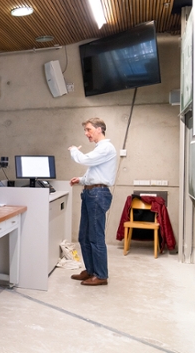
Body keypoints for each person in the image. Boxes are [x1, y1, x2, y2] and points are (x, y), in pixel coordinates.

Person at [68, 117, 117, 286]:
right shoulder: (100, 149)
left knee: (95, 237)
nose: (86, 133)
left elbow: (85, 160)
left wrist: (74, 150)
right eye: (85, 130)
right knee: (84, 236)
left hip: (97, 195)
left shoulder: (106, 148)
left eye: (88, 129)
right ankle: (90, 271)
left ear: (99, 129)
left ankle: (101, 275)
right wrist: (81, 180)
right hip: (91, 193)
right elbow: (96, 173)